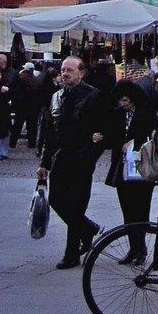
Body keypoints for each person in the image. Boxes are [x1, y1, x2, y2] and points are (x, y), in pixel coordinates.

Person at [37, 56, 108, 269]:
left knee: (76, 206)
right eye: (63, 70)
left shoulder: (94, 96)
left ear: (81, 73)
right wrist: (44, 163)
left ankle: (71, 254)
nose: (65, 73)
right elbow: (51, 133)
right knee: (57, 200)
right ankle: (88, 230)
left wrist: (90, 155)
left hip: (81, 158)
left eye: (69, 70)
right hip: (62, 156)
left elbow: (104, 132)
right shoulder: (57, 96)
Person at [104, 79, 157, 264]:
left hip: (141, 168)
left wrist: (134, 143)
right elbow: (111, 136)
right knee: (127, 210)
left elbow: (150, 138)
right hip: (123, 168)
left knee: (141, 210)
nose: (123, 104)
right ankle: (133, 248)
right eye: (121, 100)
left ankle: (140, 248)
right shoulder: (118, 114)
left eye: (126, 100)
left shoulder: (146, 114)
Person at [9, 61, 41, 149]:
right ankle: (32, 144)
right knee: (32, 127)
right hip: (33, 107)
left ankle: (12, 143)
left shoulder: (20, 78)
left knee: (17, 127)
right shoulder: (37, 80)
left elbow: (15, 91)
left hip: (21, 106)